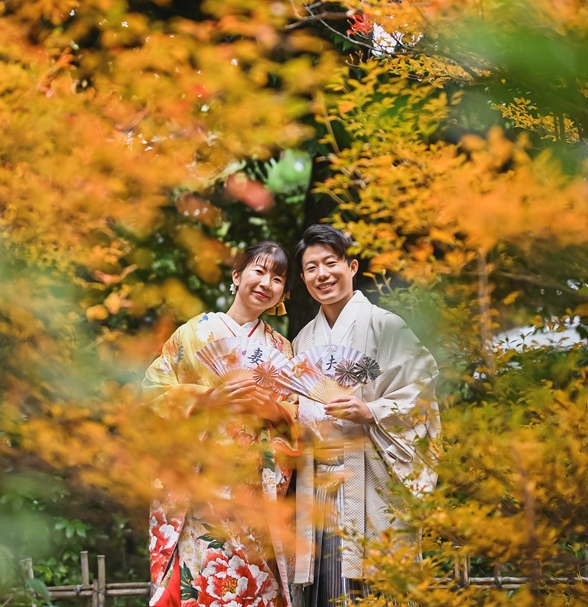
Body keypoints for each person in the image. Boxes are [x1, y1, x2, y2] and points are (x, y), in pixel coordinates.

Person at [291, 225, 440, 607]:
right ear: (304, 277)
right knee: (324, 586)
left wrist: (370, 411)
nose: (322, 275)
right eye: (311, 268)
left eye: (330, 263)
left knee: (377, 580)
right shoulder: (302, 340)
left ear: (351, 266)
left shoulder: (386, 326)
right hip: (319, 482)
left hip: (372, 474)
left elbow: (422, 390)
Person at [144, 242, 299, 607]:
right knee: (201, 583)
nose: (266, 283)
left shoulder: (282, 347)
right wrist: (205, 399)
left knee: (257, 585)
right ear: (236, 275)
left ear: (282, 292)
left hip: (256, 491)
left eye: (277, 278)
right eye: (258, 271)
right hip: (199, 490)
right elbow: (151, 395)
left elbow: (300, 414)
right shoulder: (192, 334)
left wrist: (276, 412)